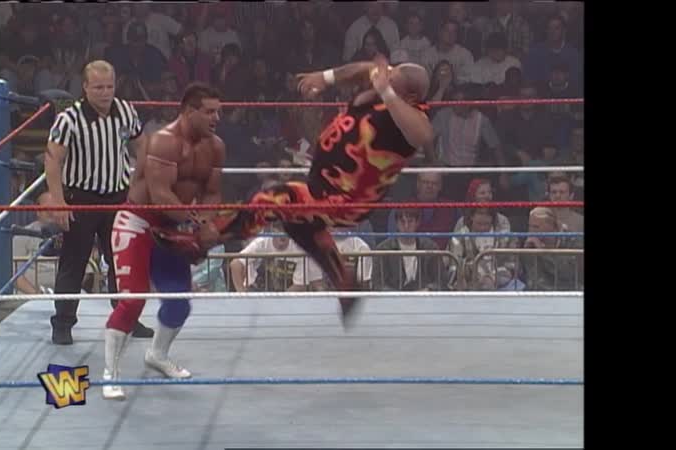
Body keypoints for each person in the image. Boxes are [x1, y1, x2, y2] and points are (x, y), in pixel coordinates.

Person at [210, 56, 435, 326]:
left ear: (408, 95)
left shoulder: (410, 118)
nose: (385, 75)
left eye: (392, 77)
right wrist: (326, 78)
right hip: (323, 185)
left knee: (275, 199)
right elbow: (364, 68)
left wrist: (386, 91)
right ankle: (344, 280)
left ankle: (207, 239)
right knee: (296, 223)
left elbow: (424, 135)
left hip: (347, 199)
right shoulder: (384, 85)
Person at [102, 83, 225, 400]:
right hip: (139, 222)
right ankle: (110, 373)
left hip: (174, 227)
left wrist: (206, 225)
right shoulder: (162, 142)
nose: (216, 118)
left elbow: (212, 192)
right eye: (209, 112)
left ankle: (157, 355)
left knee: (178, 302)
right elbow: (160, 196)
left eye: (218, 112)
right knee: (132, 300)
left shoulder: (215, 147)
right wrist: (196, 224)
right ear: (189, 111)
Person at [45, 60, 153, 345]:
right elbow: (52, 159)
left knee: (123, 262)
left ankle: (126, 318)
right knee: (74, 262)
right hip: (81, 198)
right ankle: (63, 323)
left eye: (109, 86)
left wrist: (138, 184)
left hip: (117, 197)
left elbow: (142, 144)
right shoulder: (69, 119)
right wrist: (58, 201)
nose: (105, 92)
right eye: (98, 87)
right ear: (85, 87)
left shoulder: (125, 110)